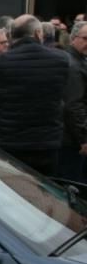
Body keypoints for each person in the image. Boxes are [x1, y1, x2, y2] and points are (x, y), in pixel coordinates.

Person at [0, 15, 71, 175]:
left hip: (7, 141)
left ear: (10, 35)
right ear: (37, 33)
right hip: (46, 143)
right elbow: (67, 94)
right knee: (45, 193)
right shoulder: (61, 60)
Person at [61, 21, 87, 182]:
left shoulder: (79, 60)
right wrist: (84, 139)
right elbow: (74, 105)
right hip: (72, 141)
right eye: (85, 38)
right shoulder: (73, 65)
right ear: (73, 38)